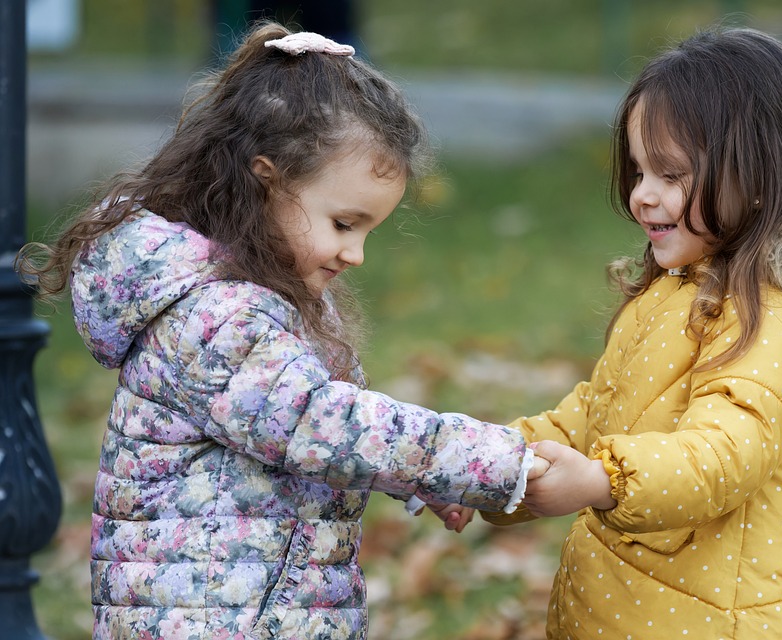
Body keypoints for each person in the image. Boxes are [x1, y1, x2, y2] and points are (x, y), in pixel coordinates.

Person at [17, 23, 546, 640]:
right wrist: (488, 462)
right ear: (265, 181)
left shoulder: (254, 299)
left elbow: (297, 432)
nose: (356, 254)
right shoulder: (214, 318)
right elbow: (318, 424)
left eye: (368, 230)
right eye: (344, 223)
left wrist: (412, 475)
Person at [476, 27, 782, 639]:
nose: (642, 195)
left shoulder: (778, 320)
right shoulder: (682, 289)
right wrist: (485, 464)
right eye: (639, 170)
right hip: (643, 608)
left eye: (670, 175)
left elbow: (722, 456)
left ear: (759, 177)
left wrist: (602, 480)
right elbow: (600, 415)